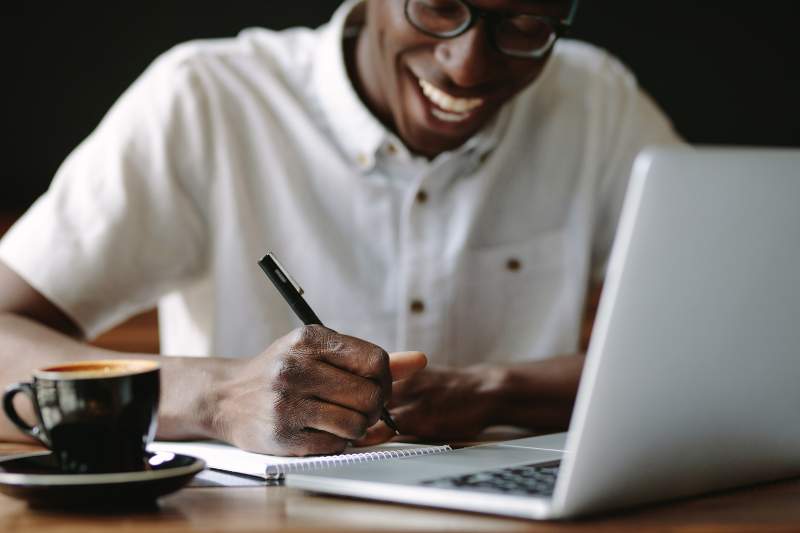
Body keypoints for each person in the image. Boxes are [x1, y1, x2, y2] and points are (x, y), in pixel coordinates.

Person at [0, 0, 681, 456]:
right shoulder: (206, 99)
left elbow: (729, 350)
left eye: (526, 24)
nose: (469, 66)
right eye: (440, 5)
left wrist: (493, 390)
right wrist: (215, 398)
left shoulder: (599, 104)